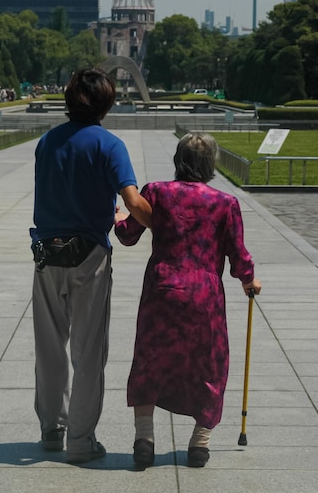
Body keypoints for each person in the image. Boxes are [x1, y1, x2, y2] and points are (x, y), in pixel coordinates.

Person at [114, 132, 261, 468]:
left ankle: (144, 437)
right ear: (212, 165)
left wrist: (118, 220)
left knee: (150, 357)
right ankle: (200, 442)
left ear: (178, 160)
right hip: (204, 293)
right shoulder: (225, 204)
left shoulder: (156, 192)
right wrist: (249, 279)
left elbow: (128, 235)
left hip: (162, 287)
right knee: (210, 363)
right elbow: (238, 256)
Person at [29, 67, 152, 464]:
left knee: (49, 347)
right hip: (89, 254)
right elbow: (133, 202)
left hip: (47, 252)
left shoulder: (47, 142)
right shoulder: (109, 145)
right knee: (88, 350)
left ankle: (52, 428)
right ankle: (80, 440)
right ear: (107, 102)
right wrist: (167, 225)